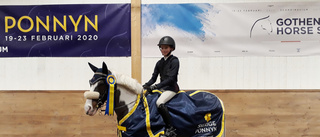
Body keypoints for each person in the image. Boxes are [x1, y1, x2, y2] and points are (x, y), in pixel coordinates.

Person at [143, 36, 179, 137]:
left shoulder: (175, 61)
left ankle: (170, 129)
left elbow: (171, 79)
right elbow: (153, 78)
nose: (163, 50)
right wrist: (145, 85)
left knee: (159, 102)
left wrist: (156, 87)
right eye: (162, 48)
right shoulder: (159, 63)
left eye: (166, 48)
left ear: (171, 48)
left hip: (171, 88)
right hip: (162, 88)